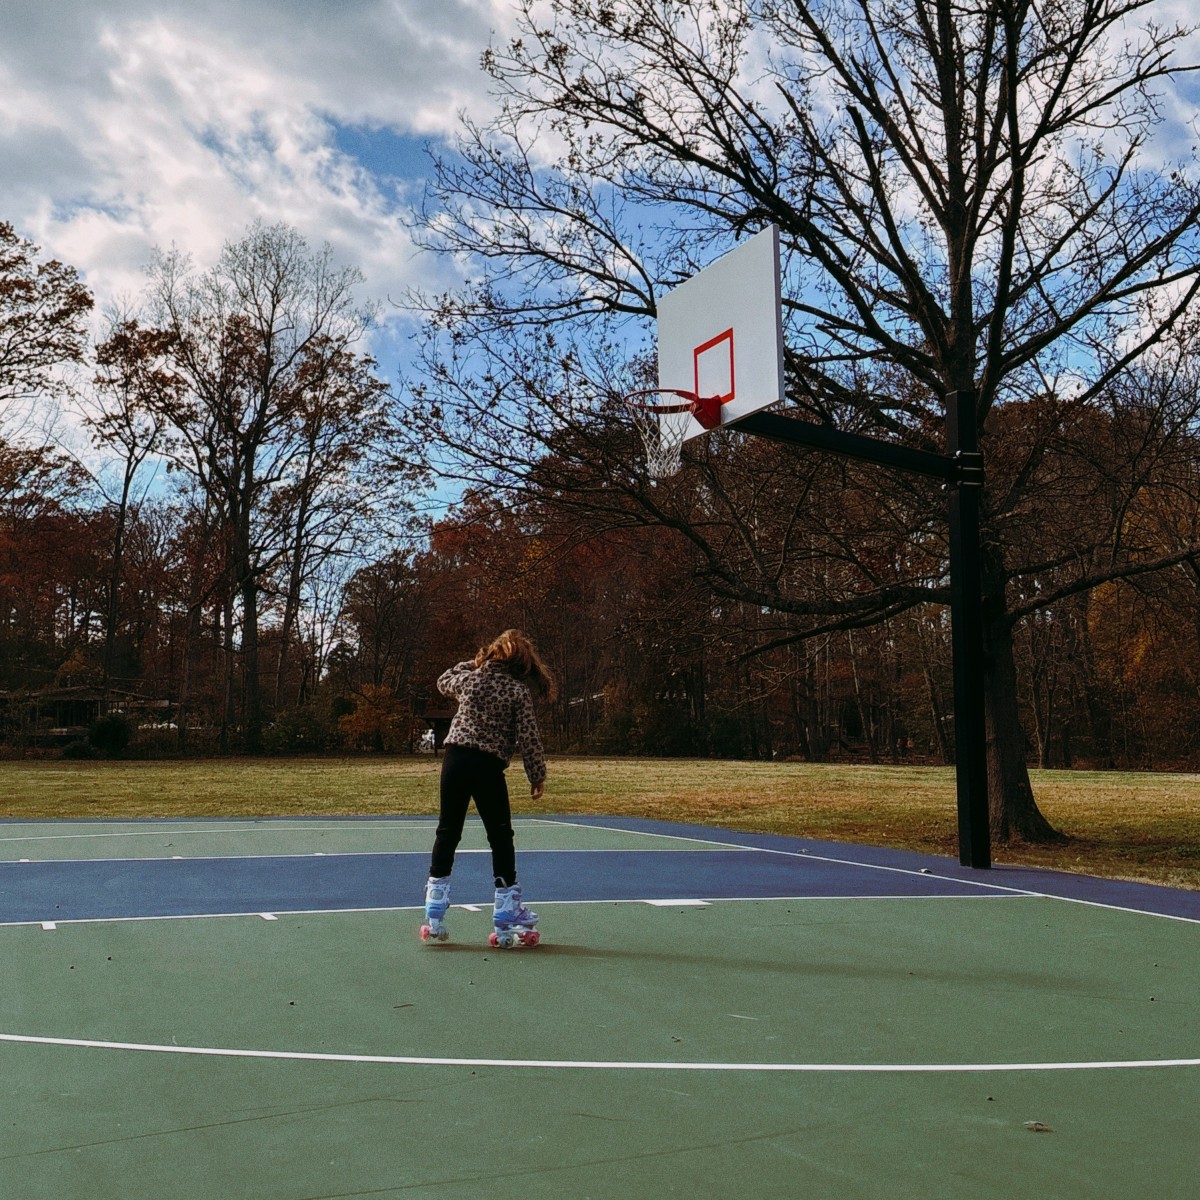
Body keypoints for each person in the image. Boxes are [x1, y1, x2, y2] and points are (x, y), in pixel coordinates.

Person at [421, 629, 555, 947]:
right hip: (487, 765)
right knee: (500, 836)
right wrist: (536, 775)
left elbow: (443, 680)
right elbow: (529, 737)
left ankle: (435, 904)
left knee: (448, 830)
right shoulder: (517, 690)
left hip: (455, 759)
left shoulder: (471, 679)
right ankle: (507, 906)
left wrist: (474, 663)